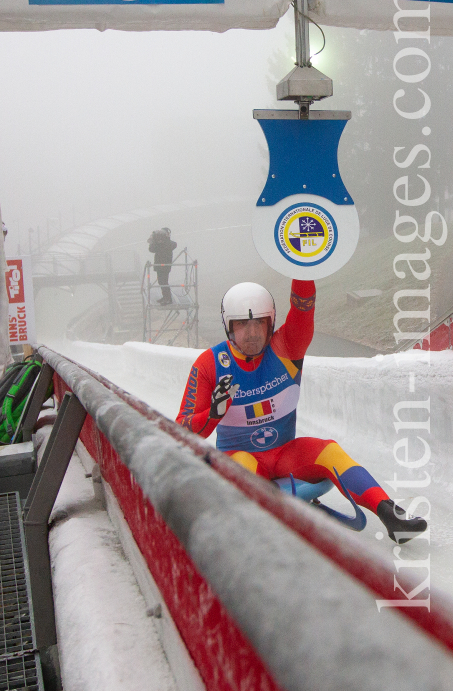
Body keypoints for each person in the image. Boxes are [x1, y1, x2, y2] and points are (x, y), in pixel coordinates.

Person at [175, 280, 427, 544]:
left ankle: (390, 513)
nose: (251, 333)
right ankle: (258, 531)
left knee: (330, 450)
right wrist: (213, 413)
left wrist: (304, 265)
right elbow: (182, 429)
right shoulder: (209, 365)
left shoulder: (287, 347)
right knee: (243, 468)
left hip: (285, 454)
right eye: (242, 324)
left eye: (259, 323)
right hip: (240, 456)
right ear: (229, 327)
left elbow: (303, 307)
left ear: (271, 323)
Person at [147, 227, 177, 305]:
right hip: (159, 265)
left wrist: (163, 240)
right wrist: (155, 241)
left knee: (164, 282)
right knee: (161, 282)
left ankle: (168, 299)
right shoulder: (159, 244)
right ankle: (165, 297)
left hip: (165, 265)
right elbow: (151, 249)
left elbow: (173, 245)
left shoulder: (169, 243)